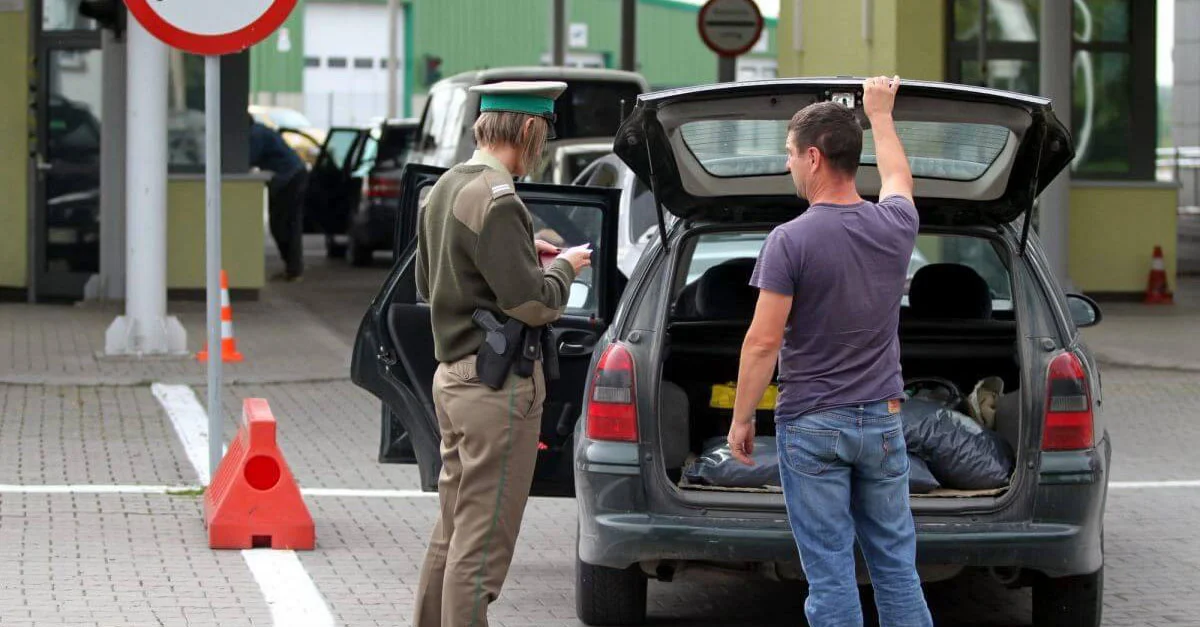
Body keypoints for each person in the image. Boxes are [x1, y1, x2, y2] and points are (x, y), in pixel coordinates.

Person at [726, 76, 933, 627]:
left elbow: (763, 341)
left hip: (813, 425)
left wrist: (742, 418)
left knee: (831, 574)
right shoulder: (896, 225)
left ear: (813, 157)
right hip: (885, 422)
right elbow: (897, 177)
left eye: (790, 156)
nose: (788, 166)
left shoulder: (789, 240)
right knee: (896, 568)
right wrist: (880, 115)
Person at [411, 80, 592, 627]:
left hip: (454, 380)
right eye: (545, 133)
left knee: (451, 532)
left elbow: (430, 280)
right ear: (531, 130)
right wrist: (565, 266)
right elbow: (535, 304)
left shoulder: (443, 188)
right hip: (496, 391)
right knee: (482, 547)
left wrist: (520, 254)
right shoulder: (499, 198)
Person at [249, 117, 307, 281]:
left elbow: (247, 159)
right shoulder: (259, 130)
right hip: (292, 176)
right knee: (286, 224)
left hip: (289, 179)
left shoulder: (256, 134)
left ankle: (294, 269)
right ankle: (292, 268)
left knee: (284, 225)